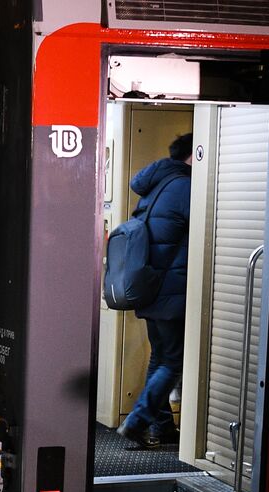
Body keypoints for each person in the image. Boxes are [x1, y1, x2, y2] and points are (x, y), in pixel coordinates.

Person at [116, 133, 193, 449]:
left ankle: (160, 425)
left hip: (149, 286)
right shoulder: (185, 187)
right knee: (172, 361)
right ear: (193, 157)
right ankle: (136, 423)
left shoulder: (155, 187)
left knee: (160, 357)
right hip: (172, 291)